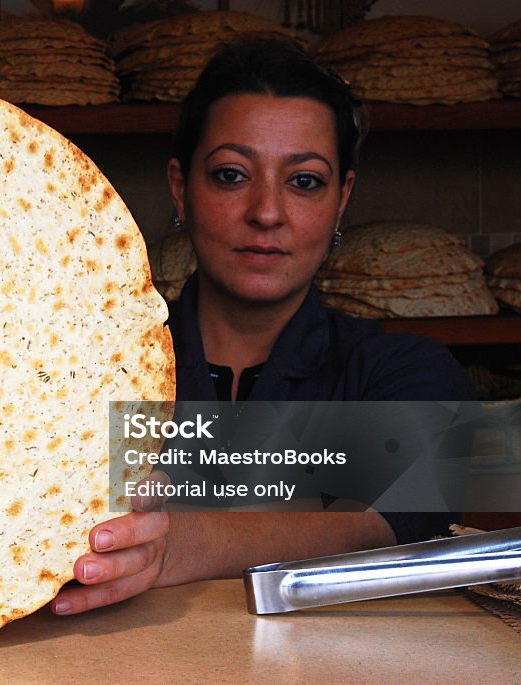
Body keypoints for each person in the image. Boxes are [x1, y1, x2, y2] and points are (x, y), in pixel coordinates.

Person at [52, 39, 476, 616]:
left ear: (342, 198)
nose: (267, 212)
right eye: (231, 175)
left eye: (304, 181)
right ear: (181, 188)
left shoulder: (404, 374)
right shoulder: (83, 373)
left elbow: (385, 522)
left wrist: (173, 544)